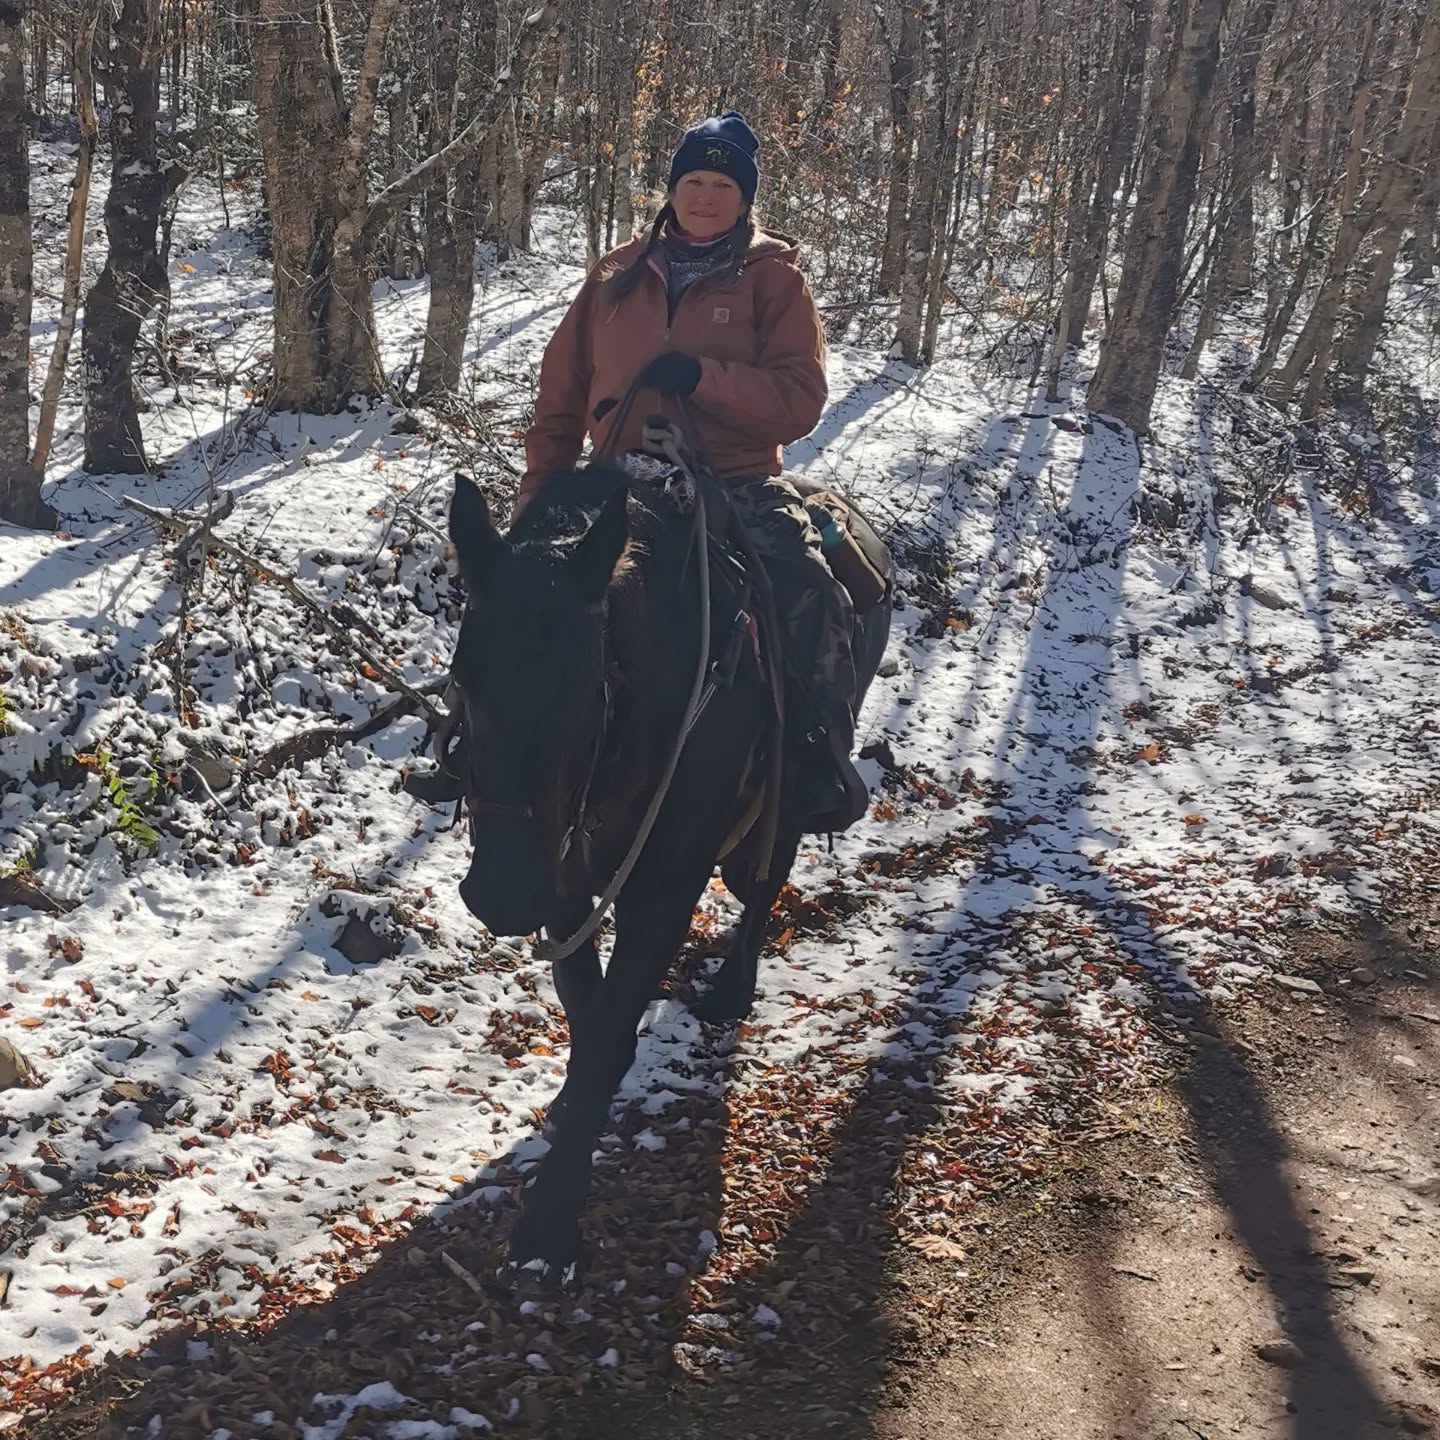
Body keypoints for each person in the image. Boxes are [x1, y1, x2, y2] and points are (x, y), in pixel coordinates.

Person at [413, 112, 867, 833]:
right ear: (672, 187)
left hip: (735, 478)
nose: (706, 196)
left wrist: (704, 377)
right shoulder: (615, 273)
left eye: (723, 185)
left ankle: (813, 754)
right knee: (512, 596)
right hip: (616, 473)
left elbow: (800, 399)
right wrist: (539, 492)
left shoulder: (775, 280)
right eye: (694, 180)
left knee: (808, 585)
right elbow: (561, 392)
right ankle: (466, 741)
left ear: (745, 198)